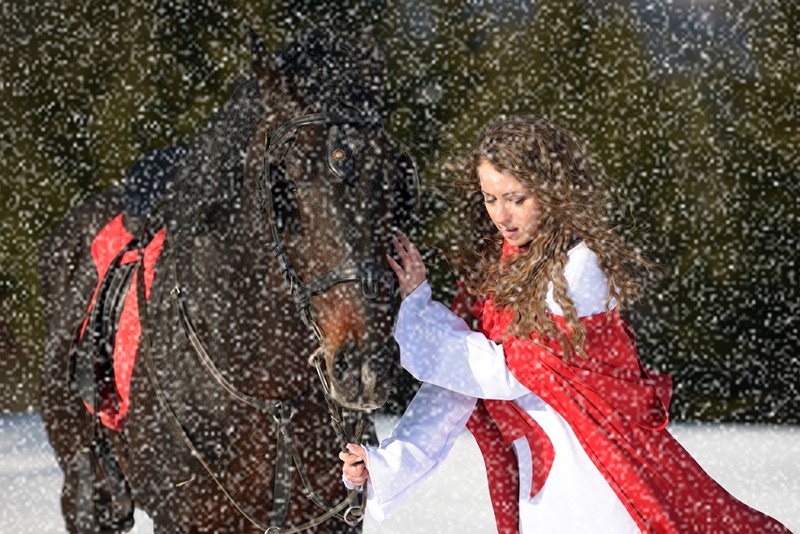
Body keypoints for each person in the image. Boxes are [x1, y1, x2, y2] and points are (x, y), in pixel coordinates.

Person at [339, 116, 790, 533]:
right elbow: (456, 388)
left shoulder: (578, 270)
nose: (502, 215)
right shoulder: (500, 273)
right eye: (491, 198)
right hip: (547, 492)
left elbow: (507, 372)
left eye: (517, 198)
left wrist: (420, 312)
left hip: (605, 483)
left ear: (552, 191)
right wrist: (387, 463)